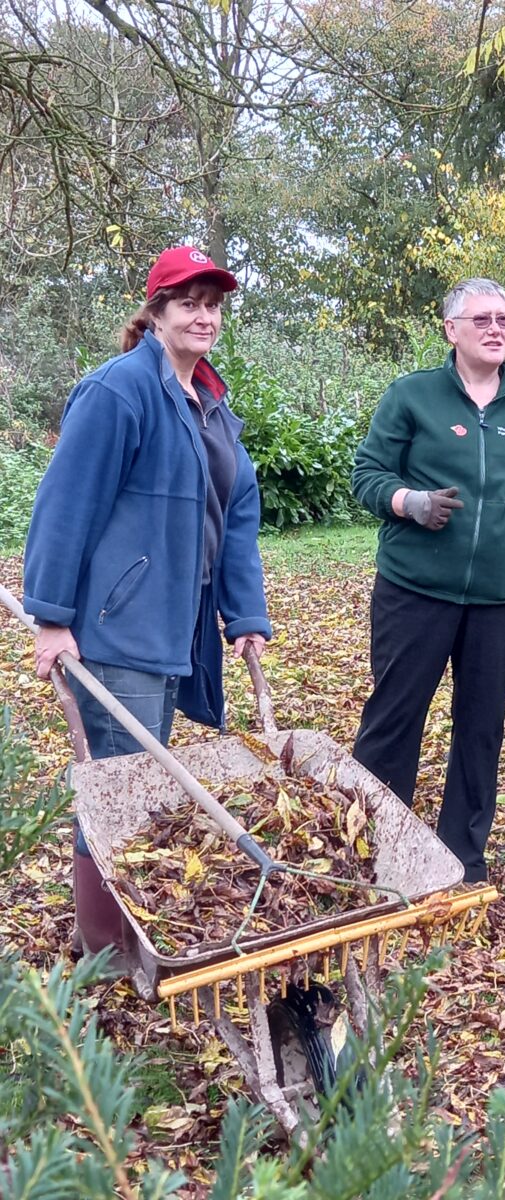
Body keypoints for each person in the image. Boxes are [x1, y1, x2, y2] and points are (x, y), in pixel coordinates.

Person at [23, 244, 272, 952]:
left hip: (178, 626)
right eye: (188, 301)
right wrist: (51, 620)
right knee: (122, 785)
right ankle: (102, 949)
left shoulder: (213, 408)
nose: (204, 315)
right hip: (119, 626)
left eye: (214, 303)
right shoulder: (118, 391)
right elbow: (65, 506)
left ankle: (126, 931)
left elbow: (238, 517)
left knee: (145, 781)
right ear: (156, 311)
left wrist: (245, 613)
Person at [351, 278, 505, 883]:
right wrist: (408, 501)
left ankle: (462, 856)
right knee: (394, 719)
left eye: (503, 318)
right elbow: (367, 476)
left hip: (503, 595)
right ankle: (375, 846)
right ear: (451, 329)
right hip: (415, 589)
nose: (495, 328)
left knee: (482, 726)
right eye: (480, 318)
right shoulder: (412, 396)